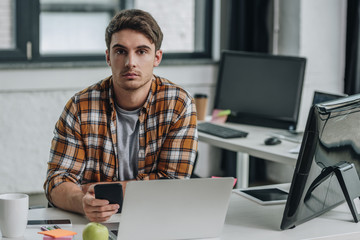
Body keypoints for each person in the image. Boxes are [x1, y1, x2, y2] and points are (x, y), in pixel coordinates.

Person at [44, 9, 198, 222]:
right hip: (93, 223)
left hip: (156, 219)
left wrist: (98, 189)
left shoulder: (179, 104)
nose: (130, 62)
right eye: (121, 51)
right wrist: (82, 201)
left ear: (157, 57)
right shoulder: (80, 107)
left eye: (142, 51)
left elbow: (173, 183)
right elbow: (57, 181)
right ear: (108, 56)